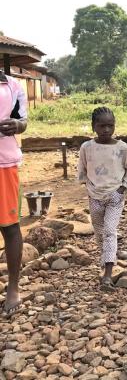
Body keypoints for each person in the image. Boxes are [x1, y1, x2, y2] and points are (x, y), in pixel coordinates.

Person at [78, 107, 127, 291]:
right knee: (99, 231)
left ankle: (107, 275)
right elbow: (82, 170)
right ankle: (107, 257)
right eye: (101, 126)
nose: (106, 130)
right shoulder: (87, 147)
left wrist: (121, 190)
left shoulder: (122, 148)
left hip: (115, 197)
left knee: (110, 231)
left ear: (114, 126)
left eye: (110, 126)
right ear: (93, 126)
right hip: (95, 196)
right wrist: (88, 187)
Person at [0, 72, 27, 317]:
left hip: (3, 165)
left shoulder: (12, 85)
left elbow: (23, 121)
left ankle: (13, 287)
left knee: (9, 226)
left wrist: (17, 126)